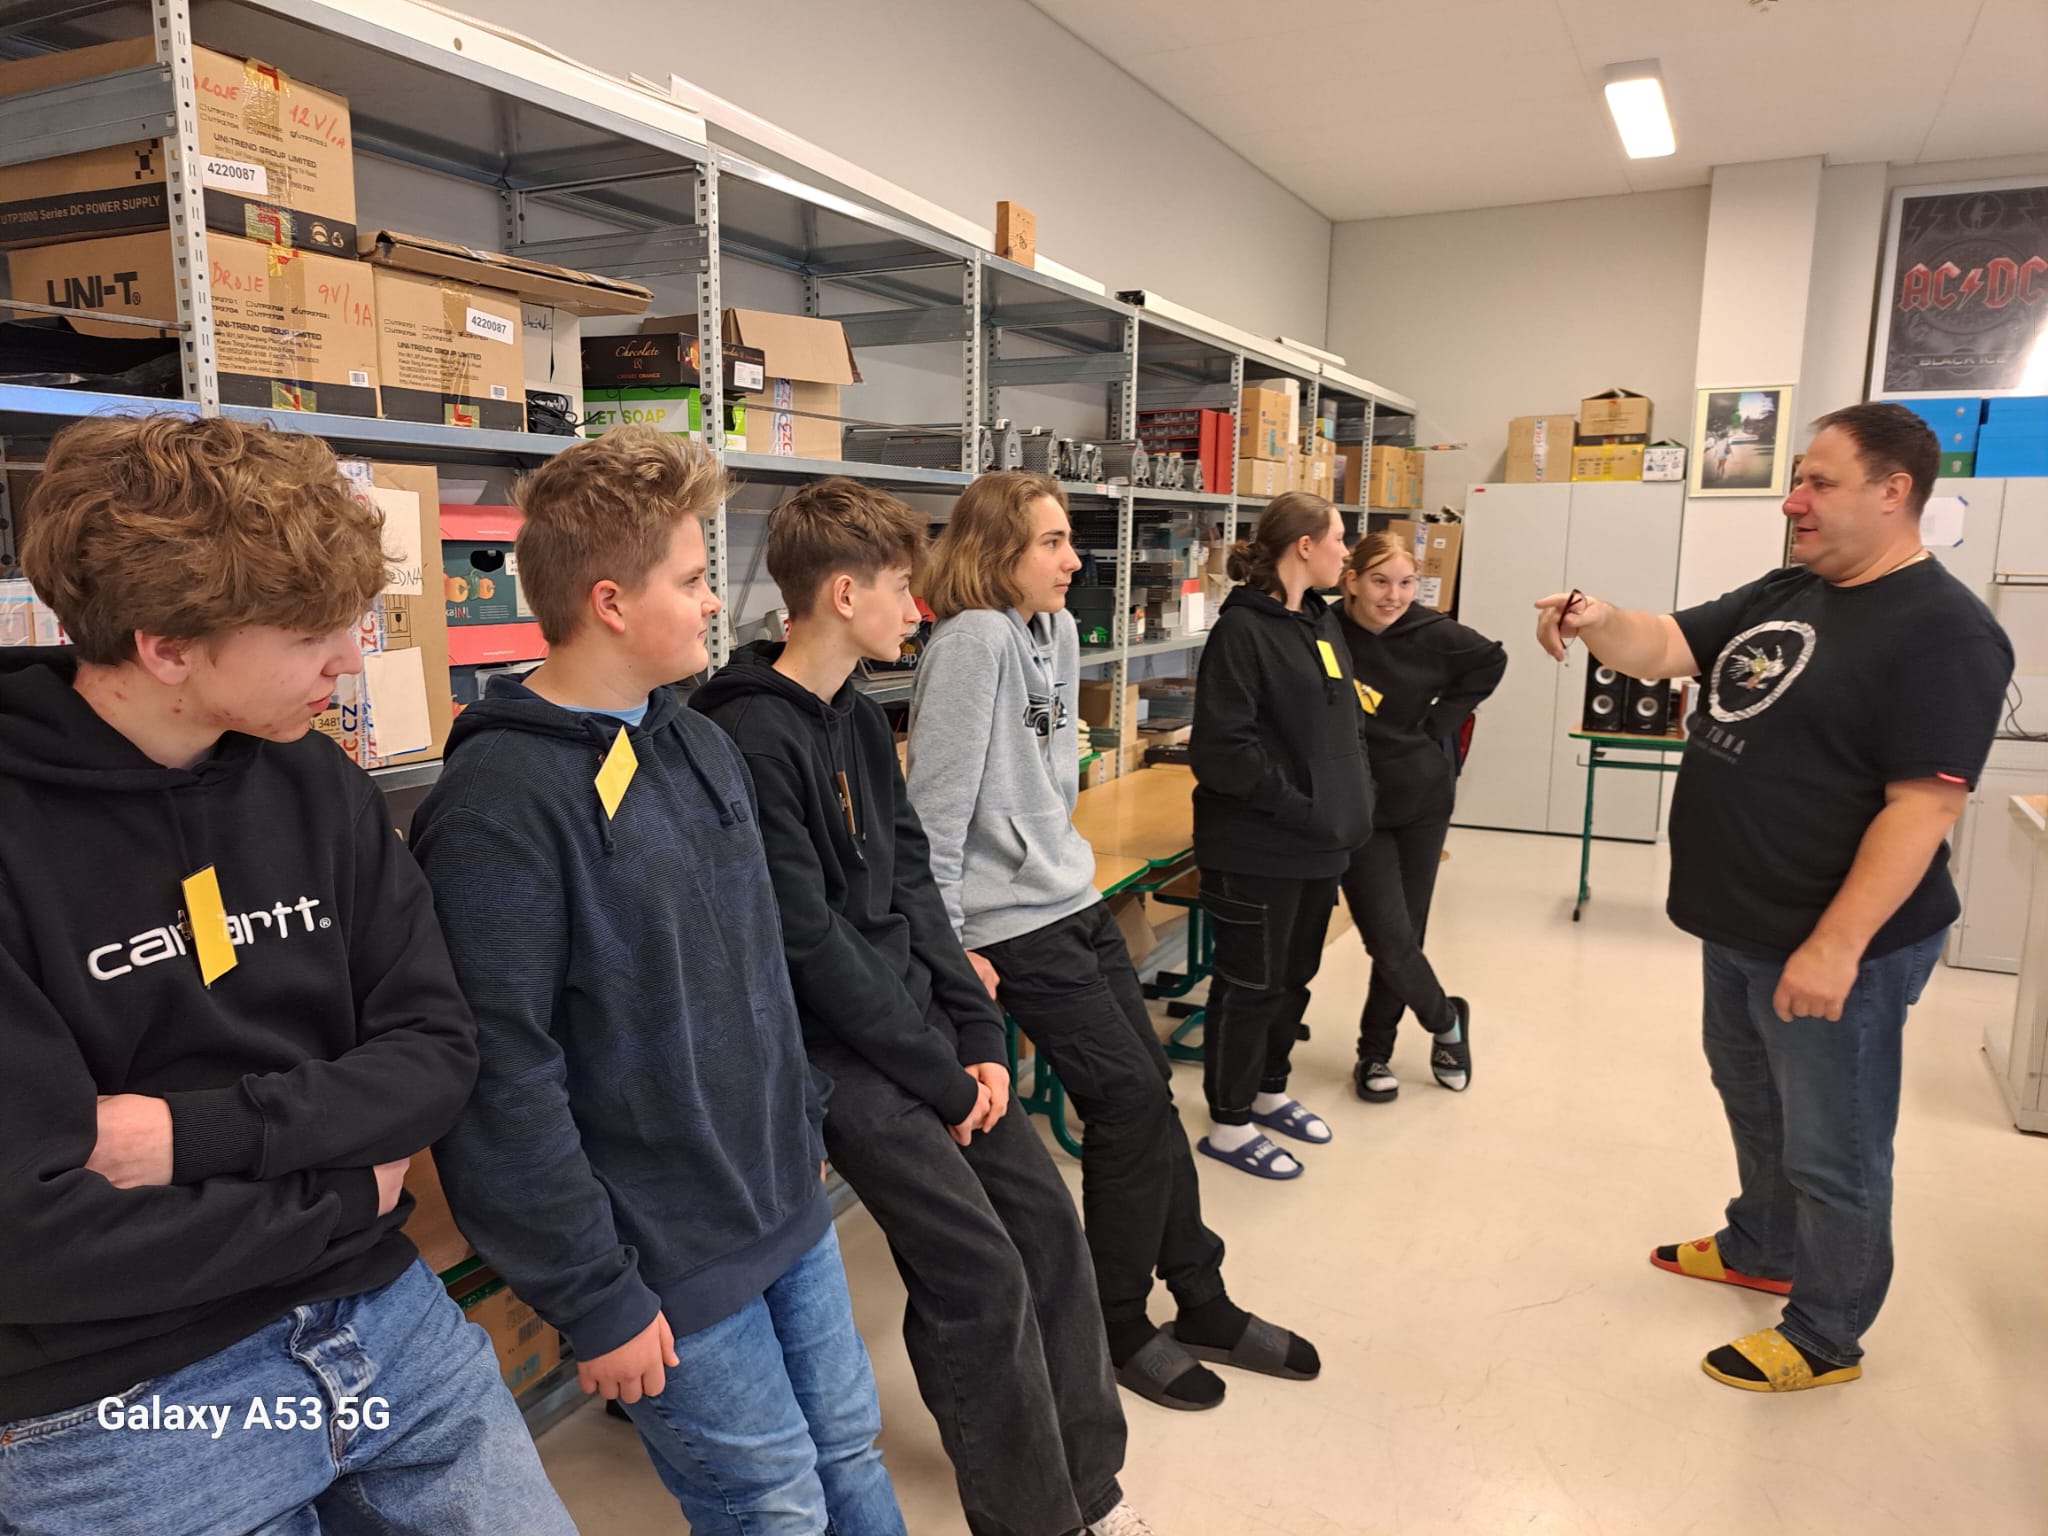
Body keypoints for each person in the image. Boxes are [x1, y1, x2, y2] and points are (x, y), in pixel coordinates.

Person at [0, 415, 575, 1535]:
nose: (349, 661)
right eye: (311, 634)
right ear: (167, 646)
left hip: (379, 1315)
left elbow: (434, 1057)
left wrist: (189, 1136)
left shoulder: (314, 782)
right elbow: (30, 1237)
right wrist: (345, 1191)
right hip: (122, 1396)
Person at [411, 428, 904, 1533]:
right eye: (688, 581)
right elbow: (503, 1078)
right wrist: (595, 1294)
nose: (713, 603)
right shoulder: (497, 806)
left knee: (847, 1449)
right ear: (609, 603)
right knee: (770, 1504)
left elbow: (755, 964)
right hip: (661, 1247)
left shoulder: (697, 742)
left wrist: (798, 1120)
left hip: (780, 1197)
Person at [692, 477, 1147, 1536]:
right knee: (979, 1270)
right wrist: (942, 1075)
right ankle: (1035, 1518)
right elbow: (809, 945)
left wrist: (978, 1036)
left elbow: (909, 883)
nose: (918, 606)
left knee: (1047, 1227)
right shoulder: (747, 736)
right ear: (843, 594)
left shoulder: (858, 712)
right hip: (834, 1053)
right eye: (901, 587)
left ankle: (1090, 1488)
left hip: (918, 1031)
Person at [1534, 402, 2012, 1393]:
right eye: (1795, 479)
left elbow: (1922, 808)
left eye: (1819, 483)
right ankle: (1762, 1242)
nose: (1793, 501)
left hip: (1836, 945)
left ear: (1894, 492)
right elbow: (1666, 644)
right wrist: (1597, 619)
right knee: (1751, 1097)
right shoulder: (1793, 588)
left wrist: (1834, 947)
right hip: (1741, 922)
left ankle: (1827, 1332)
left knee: (1835, 1145)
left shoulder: (1945, 634)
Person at [905, 469, 1319, 1415]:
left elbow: (1048, 773)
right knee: (1127, 1104)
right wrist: (951, 952)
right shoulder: (972, 643)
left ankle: (1202, 1300)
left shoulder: (1048, 631)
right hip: (1007, 924)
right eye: (1052, 542)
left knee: (1150, 1097)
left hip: (1069, 895)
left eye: (1067, 540)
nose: (1073, 560)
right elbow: (932, 818)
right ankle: (1118, 1322)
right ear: (998, 550)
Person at [1185, 493, 1369, 1180]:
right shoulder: (1242, 632)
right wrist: (1304, 809)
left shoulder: (1320, 621)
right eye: (1339, 538)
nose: (1346, 552)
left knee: (1293, 979)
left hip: (1317, 846)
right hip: (1258, 847)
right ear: (1304, 545)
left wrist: (1352, 803)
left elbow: (1342, 727)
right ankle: (1229, 1123)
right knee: (1251, 984)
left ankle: (1268, 1090)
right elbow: (1223, 753)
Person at [1333, 530, 1505, 1103]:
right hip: (1357, 805)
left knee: (1406, 934)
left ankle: (1374, 1054)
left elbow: (1491, 660)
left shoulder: (1434, 633)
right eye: (1380, 581)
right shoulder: (1324, 630)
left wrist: (1439, 723)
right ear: (1351, 580)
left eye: (1406, 582)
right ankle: (1446, 1020)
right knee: (1387, 938)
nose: (1394, 595)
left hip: (1422, 803)